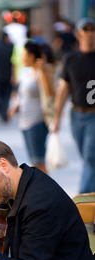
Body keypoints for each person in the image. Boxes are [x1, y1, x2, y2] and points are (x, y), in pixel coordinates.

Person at [52, 17, 95, 193]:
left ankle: (83, 196)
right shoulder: (70, 59)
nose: (90, 33)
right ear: (78, 34)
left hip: (94, 115)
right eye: (86, 30)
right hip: (76, 114)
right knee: (87, 158)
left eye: (92, 29)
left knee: (90, 157)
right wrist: (56, 119)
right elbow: (63, 89)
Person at [9, 41, 55, 173]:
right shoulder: (26, 72)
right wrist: (16, 107)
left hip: (37, 121)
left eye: (24, 54)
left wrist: (43, 70)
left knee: (39, 161)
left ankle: (48, 191)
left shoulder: (42, 71)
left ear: (32, 56)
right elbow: (24, 96)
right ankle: (42, 191)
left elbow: (50, 92)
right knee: (35, 162)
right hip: (25, 122)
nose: (22, 58)